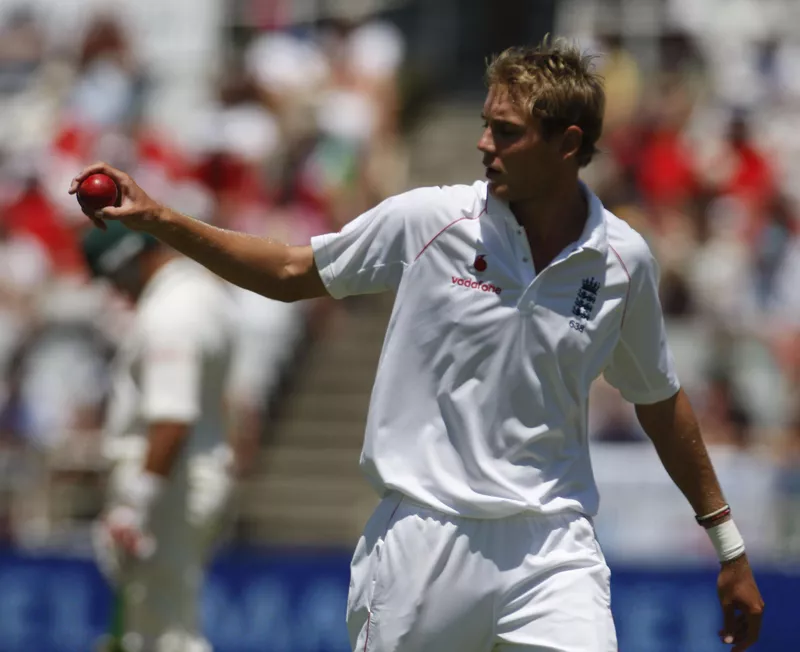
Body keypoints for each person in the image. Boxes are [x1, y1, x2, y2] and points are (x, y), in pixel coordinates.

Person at [71, 38, 764, 652]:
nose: (484, 144)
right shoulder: (430, 219)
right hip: (422, 542)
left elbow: (660, 402)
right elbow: (287, 273)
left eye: (507, 131)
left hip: (553, 546)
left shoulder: (624, 260)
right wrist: (160, 219)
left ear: (568, 144)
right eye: (485, 125)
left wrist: (727, 546)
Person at [81, 222, 236, 651]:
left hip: (170, 486)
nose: (116, 293)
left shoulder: (173, 311)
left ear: (126, 262)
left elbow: (173, 416)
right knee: (155, 626)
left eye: (113, 279)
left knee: (164, 634)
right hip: (183, 477)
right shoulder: (201, 295)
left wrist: (135, 504)